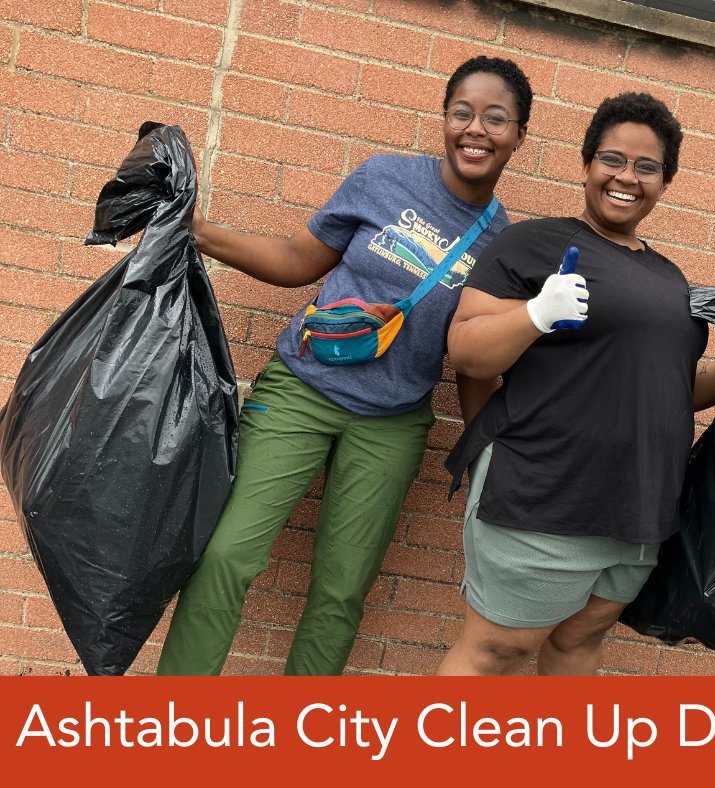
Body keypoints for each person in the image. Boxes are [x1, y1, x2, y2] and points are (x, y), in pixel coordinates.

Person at [157, 55, 532, 675]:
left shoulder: (503, 246)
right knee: (226, 555)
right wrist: (196, 231)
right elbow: (297, 260)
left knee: (339, 595)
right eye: (462, 113)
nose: (476, 129)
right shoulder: (383, 179)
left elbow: (473, 363)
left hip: (391, 424)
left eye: (496, 119)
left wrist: (490, 449)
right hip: (303, 390)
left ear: (518, 137)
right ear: (444, 119)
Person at [437, 92, 715, 676]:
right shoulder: (534, 245)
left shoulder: (673, 281)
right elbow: (466, 351)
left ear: (665, 182)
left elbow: (666, 393)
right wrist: (535, 315)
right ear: (588, 164)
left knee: (578, 644)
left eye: (647, 167)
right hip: (546, 491)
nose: (627, 177)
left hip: (639, 506)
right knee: (499, 651)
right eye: (612, 159)